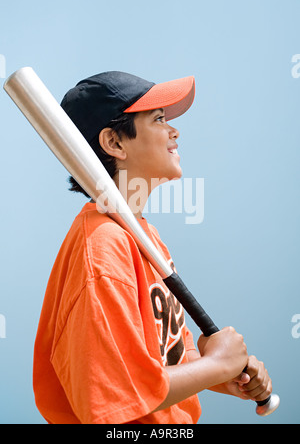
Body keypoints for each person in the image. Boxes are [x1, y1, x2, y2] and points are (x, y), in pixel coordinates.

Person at [33, 71, 272, 424]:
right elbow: (112, 396)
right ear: (114, 143)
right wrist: (216, 364)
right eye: (159, 119)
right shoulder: (104, 247)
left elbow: (163, 359)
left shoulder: (144, 238)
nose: (175, 131)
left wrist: (218, 372)